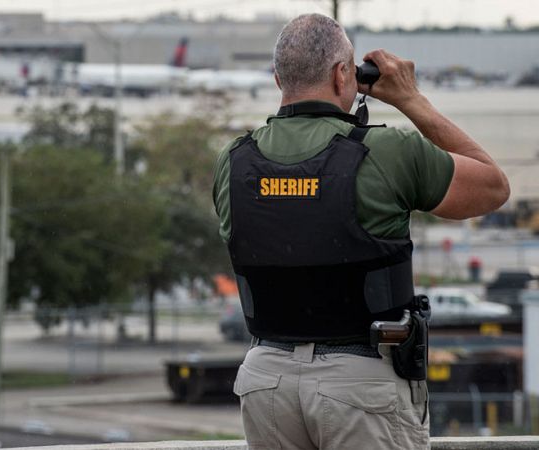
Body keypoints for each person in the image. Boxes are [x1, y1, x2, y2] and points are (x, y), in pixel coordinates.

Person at [212, 13, 509, 450]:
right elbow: (493, 187)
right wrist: (410, 98)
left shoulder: (234, 161)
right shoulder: (386, 152)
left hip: (265, 380)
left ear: (278, 80)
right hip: (361, 385)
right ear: (342, 74)